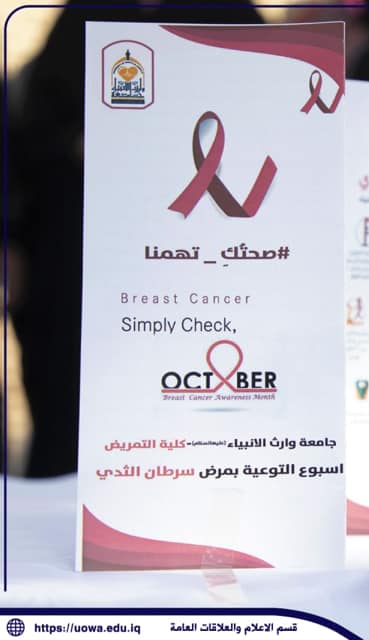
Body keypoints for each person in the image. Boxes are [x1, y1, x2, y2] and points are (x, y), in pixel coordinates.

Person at [10, 0, 262, 477]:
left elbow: (258, 114)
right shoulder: (86, 15)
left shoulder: (226, 11)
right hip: (80, 253)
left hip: (198, 251)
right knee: (72, 401)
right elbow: (38, 135)